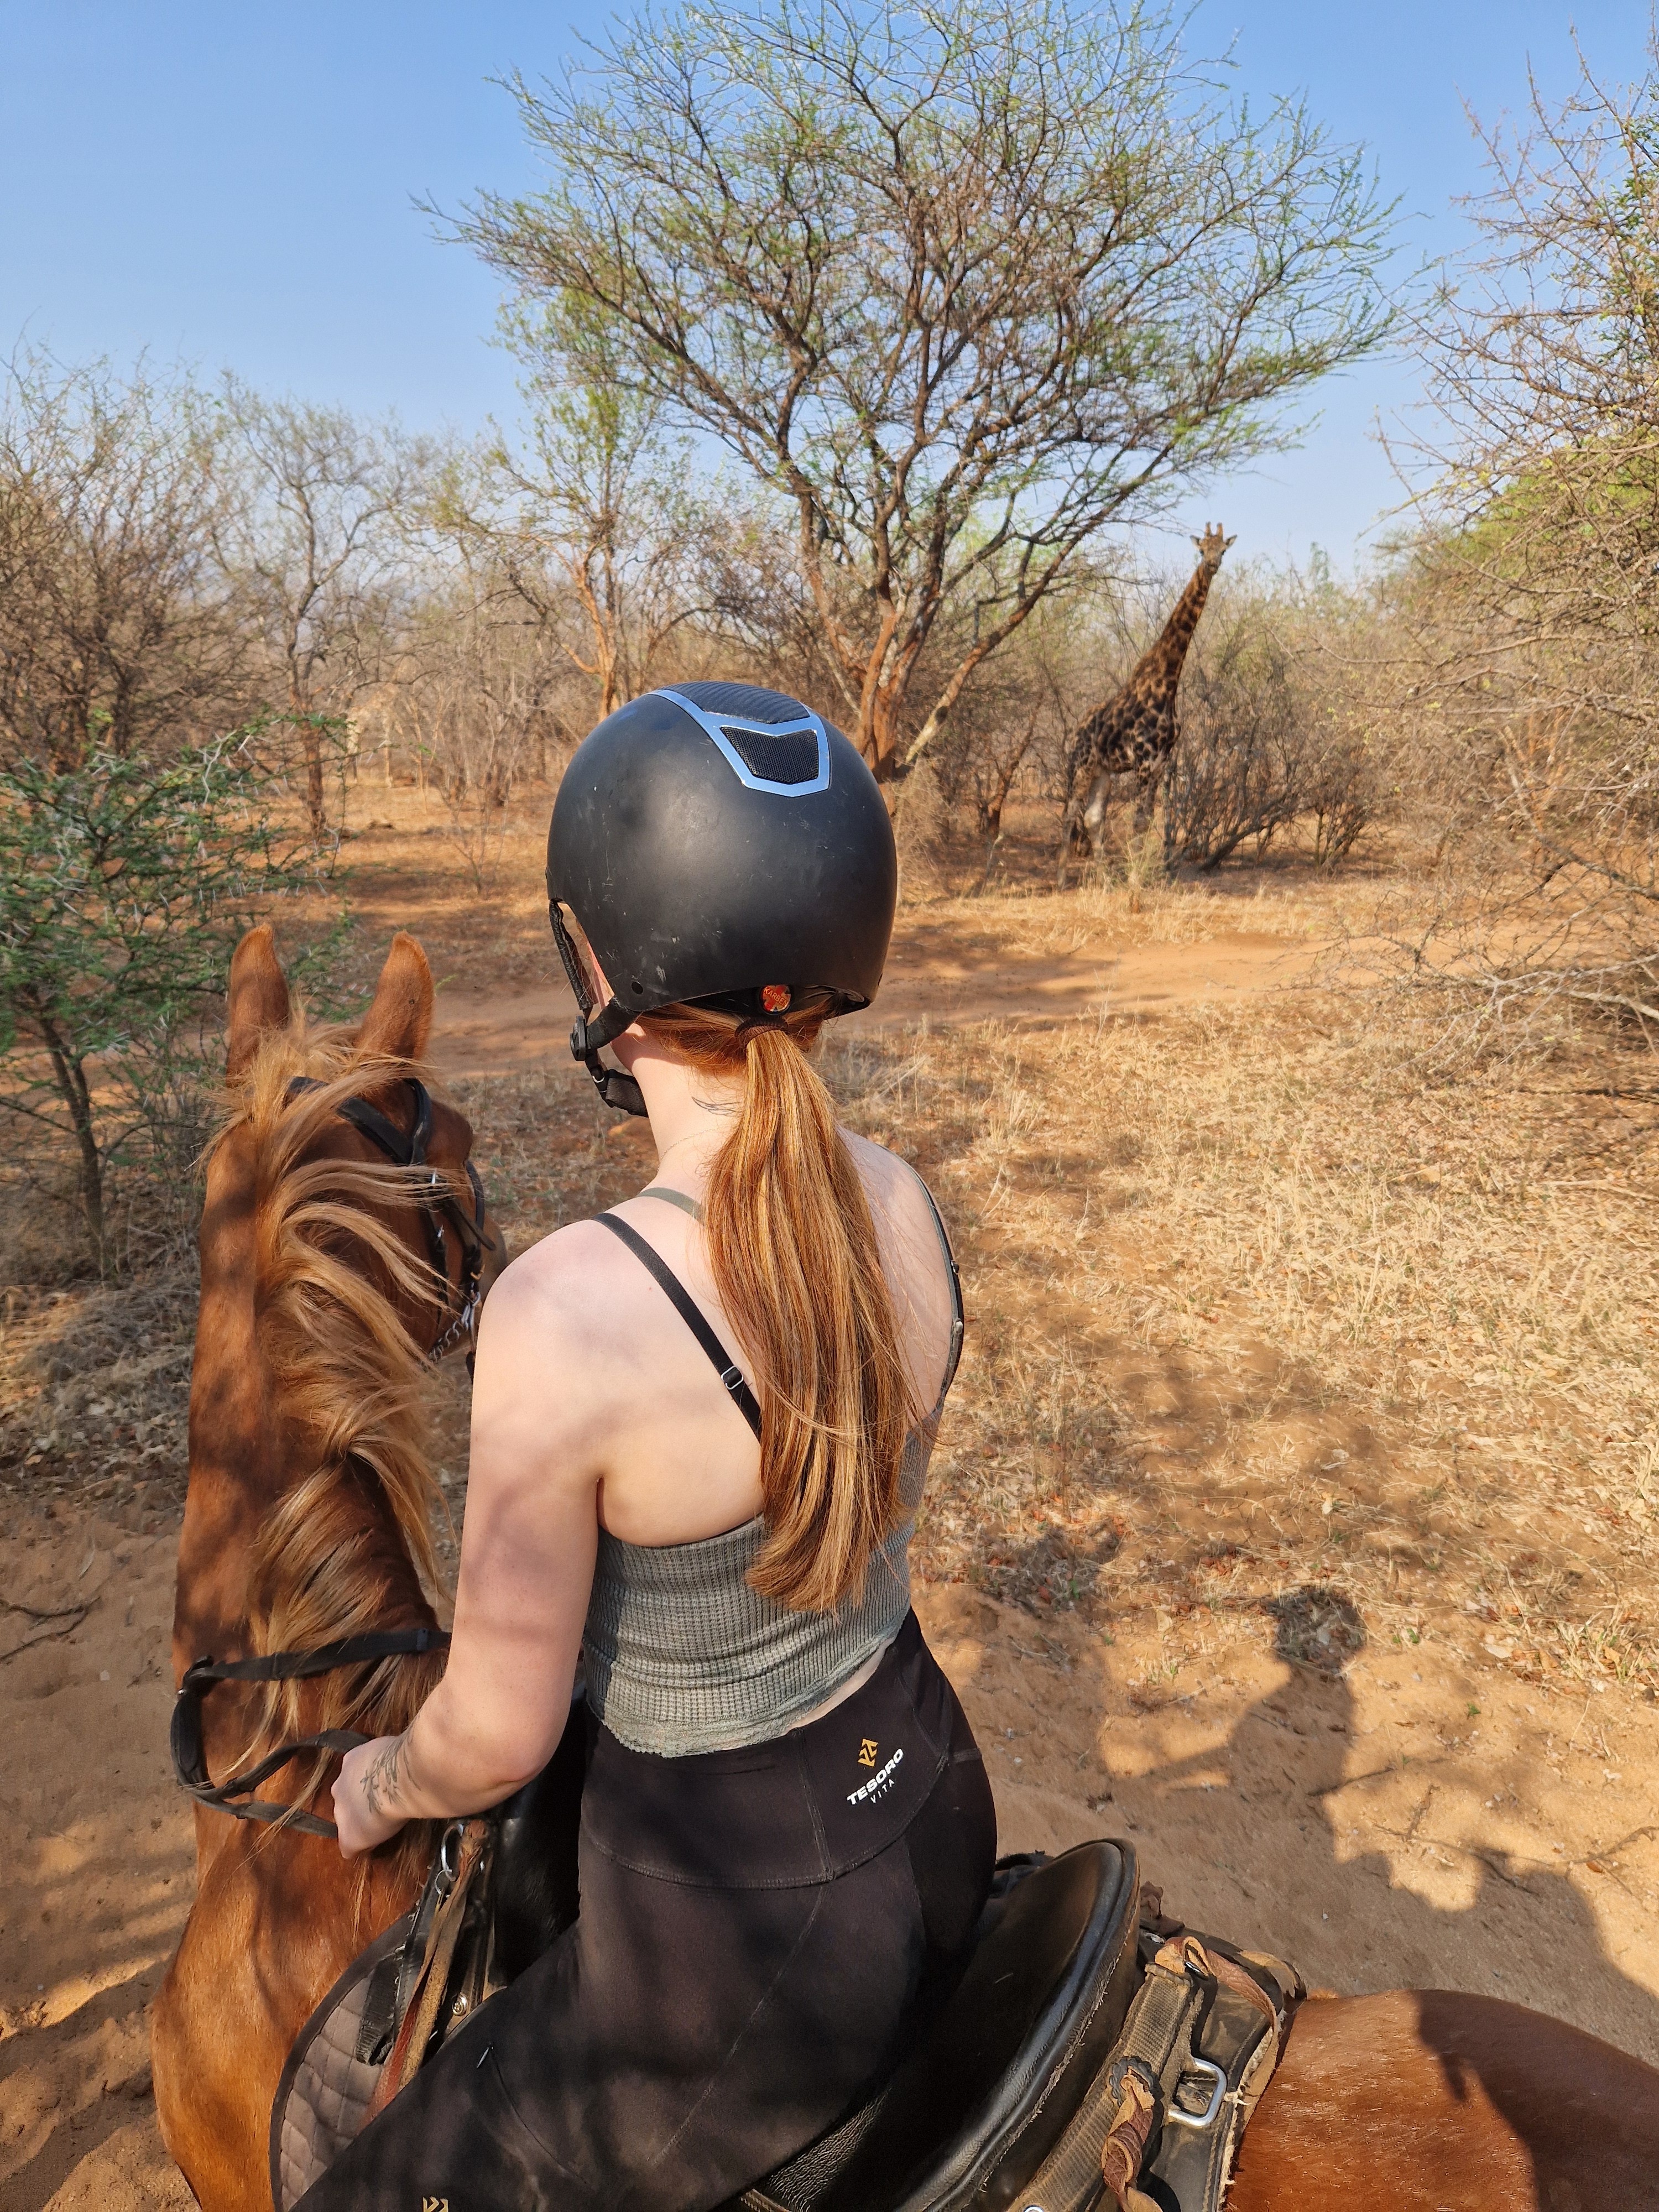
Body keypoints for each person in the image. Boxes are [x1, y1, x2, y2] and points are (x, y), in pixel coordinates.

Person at [298, 682, 996, 2212]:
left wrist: (383, 1784)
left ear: (601, 967)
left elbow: (497, 1738)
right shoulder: (904, 1203)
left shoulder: (573, 1308)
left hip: (731, 1951)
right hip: (932, 1795)